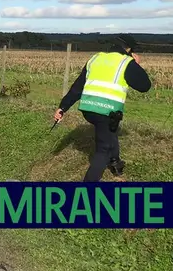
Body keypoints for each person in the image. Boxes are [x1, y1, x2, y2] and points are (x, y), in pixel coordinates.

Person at [53, 35, 151, 181]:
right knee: (103, 150)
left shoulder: (95, 58)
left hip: (88, 109)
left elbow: (77, 87)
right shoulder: (126, 62)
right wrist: (136, 65)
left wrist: (62, 108)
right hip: (106, 110)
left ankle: (115, 163)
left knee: (111, 131)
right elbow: (144, 86)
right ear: (129, 49)